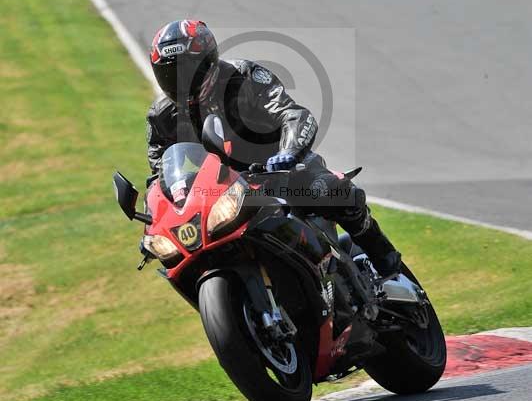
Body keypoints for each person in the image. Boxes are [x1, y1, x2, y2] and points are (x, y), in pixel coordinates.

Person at [146, 19, 401, 277]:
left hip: (280, 172)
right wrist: (158, 219)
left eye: (188, 71)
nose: (182, 82)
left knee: (336, 193)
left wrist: (288, 153)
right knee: (181, 258)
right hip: (223, 195)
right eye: (171, 74)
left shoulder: (243, 78)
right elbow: (161, 173)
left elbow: (294, 115)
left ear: (208, 61)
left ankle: (386, 261)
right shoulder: (162, 116)